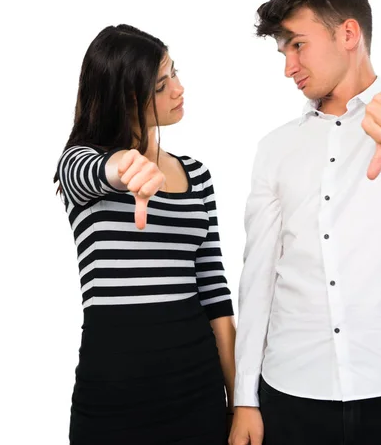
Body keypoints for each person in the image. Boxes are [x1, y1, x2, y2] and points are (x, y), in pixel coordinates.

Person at [229, 0, 381, 445]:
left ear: (348, 34)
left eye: (298, 45)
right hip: (292, 394)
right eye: (283, 52)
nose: (289, 67)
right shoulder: (275, 148)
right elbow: (258, 277)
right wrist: (245, 398)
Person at [54, 24, 236, 445]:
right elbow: (96, 171)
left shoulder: (197, 175)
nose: (179, 88)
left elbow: (214, 291)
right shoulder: (80, 165)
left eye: (174, 73)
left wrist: (238, 400)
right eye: (161, 84)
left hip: (199, 387)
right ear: (127, 98)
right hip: (116, 397)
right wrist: (123, 167)